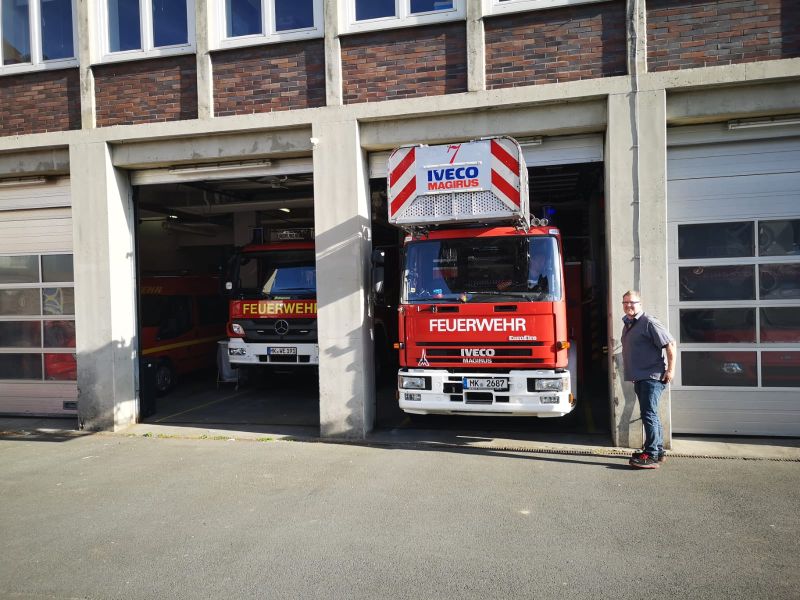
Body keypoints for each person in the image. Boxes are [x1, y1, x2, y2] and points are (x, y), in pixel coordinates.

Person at [620, 290, 676, 469]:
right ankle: (657, 451)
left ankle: (651, 455)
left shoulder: (649, 322)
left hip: (652, 377)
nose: (628, 305)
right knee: (651, 414)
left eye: (632, 302)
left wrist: (670, 370)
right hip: (640, 377)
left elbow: (670, 344)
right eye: (625, 302)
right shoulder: (629, 324)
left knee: (649, 414)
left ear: (640, 304)